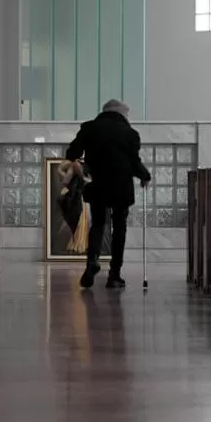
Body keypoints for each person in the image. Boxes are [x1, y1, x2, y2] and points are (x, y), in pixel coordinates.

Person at [65, 99, 151, 289]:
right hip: (121, 186)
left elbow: (72, 152)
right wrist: (145, 176)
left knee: (98, 224)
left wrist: (79, 163)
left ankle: (92, 262)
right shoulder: (130, 133)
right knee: (119, 228)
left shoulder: (89, 128)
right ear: (121, 114)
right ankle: (114, 275)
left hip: (98, 184)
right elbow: (133, 162)